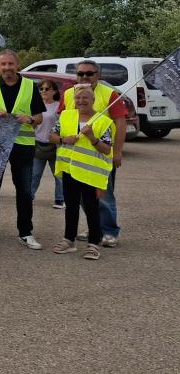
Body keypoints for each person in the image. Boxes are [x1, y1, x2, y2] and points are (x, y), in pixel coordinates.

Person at [0, 49, 44, 250]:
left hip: (23, 146)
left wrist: (30, 119)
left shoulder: (30, 86)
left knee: (24, 191)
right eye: (3, 64)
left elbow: (39, 117)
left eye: (10, 64)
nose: (7, 68)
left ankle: (25, 232)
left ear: (17, 64)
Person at [58, 60, 128, 248]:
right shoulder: (68, 94)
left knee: (103, 196)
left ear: (98, 75)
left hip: (99, 157)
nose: (85, 77)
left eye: (89, 73)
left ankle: (110, 232)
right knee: (83, 199)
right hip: (74, 160)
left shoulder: (109, 93)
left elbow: (121, 122)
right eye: (81, 73)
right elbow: (62, 119)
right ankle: (95, 228)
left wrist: (117, 152)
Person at [50, 86, 114, 261]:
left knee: (92, 208)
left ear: (93, 100)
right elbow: (52, 136)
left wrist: (93, 137)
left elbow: (107, 149)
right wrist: (63, 139)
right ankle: (68, 240)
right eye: (78, 98)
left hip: (90, 173)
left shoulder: (103, 121)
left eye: (86, 98)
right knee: (70, 206)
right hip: (69, 170)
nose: (81, 101)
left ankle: (93, 244)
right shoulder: (66, 116)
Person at [31, 80, 64, 209]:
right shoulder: (35, 106)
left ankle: (60, 199)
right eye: (41, 89)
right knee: (34, 174)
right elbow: (33, 124)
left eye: (47, 89)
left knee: (58, 174)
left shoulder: (58, 106)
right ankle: (29, 196)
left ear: (54, 91)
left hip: (54, 145)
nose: (43, 91)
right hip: (38, 144)